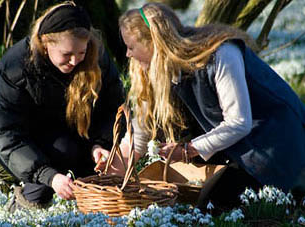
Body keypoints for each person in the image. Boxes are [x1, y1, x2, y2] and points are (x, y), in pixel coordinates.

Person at [117, 2, 305, 207]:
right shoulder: (158, 68)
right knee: (186, 200)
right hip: (235, 147)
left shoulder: (221, 54)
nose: (128, 54)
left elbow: (239, 122)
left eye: (131, 47)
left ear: (154, 43)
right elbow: (143, 127)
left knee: (212, 204)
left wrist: (190, 149)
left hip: (273, 144)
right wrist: (118, 160)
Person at [0, 1, 124, 211]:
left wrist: (101, 144)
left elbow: (113, 108)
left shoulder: (97, 57)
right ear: (45, 43)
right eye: (67, 54)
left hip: (80, 135)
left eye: (81, 52)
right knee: (57, 160)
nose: (75, 61)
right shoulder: (16, 66)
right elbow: (7, 134)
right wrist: (49, 177)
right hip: (29, 145)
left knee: (97, 175)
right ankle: (23, 204)